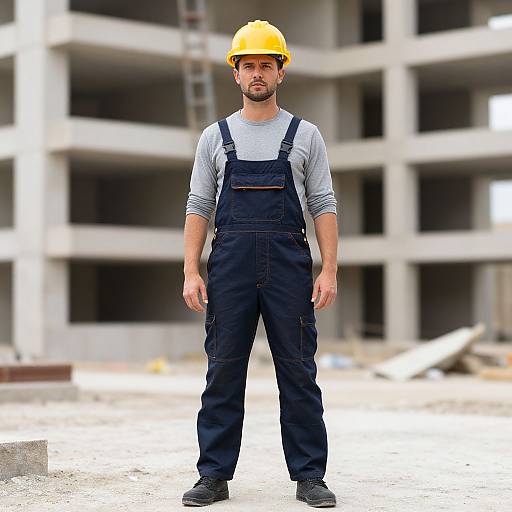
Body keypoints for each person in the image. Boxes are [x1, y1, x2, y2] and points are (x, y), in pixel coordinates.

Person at [182, 19, 338, 508]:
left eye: (265, 65)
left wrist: (328, 268)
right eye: (248, 65)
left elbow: (324, 204)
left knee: (298, 371)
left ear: (280, 72)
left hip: (291, 266)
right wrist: (191, 269)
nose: (256, 74)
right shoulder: (215, 136)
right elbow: (198, 205)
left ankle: (310, 476)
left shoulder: (306, 135)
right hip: (228, 265)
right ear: (235, 73)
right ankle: (213, 475)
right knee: (223, 370)